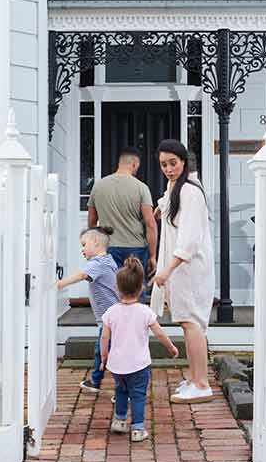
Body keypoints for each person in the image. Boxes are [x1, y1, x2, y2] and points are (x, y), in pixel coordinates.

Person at [151, 139, 216, 404]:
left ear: (184, 162)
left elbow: (189, 239)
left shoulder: (190, 191)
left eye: (173, 163)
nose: (168, 168)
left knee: (192, 323)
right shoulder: (176, 187)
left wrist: (166, 270)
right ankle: (195, 377)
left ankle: (202, 384)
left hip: (189, 268)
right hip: (182, 268)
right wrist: (159, 208)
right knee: (187, 323)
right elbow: (166, 202)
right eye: (164, 164)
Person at [100, 256, 179, 442]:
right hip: (139, 364)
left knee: (120, 391)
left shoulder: (111, 312)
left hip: (117, 364)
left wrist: (104, 357)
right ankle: (137, 428)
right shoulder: (145, 312)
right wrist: (171, 347)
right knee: (138, 395)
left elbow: (104, 337)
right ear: (141, 288)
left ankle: (119, 421)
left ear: (117, 289)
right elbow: (160, 334)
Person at [56, 227, 119, 393]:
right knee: (106, 351)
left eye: (84, 244)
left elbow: (82, 275)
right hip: (111, 318)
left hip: (110, 319)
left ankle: (121, 390)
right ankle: (97, 381)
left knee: (110, 353)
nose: (82, 249)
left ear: (96, 242)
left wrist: (61, 283)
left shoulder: (98, 263)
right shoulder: (107, 260)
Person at [88, 147, 158, 277]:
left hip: (108, 247)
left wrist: (95, 247)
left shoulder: (98, 186)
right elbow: (150, 224)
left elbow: (91, 222)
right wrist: (152, 255)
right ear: (134, 164)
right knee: (135, 291)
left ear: (120, 163)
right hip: (135, 248)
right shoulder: (141, 188)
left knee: (111, 290)